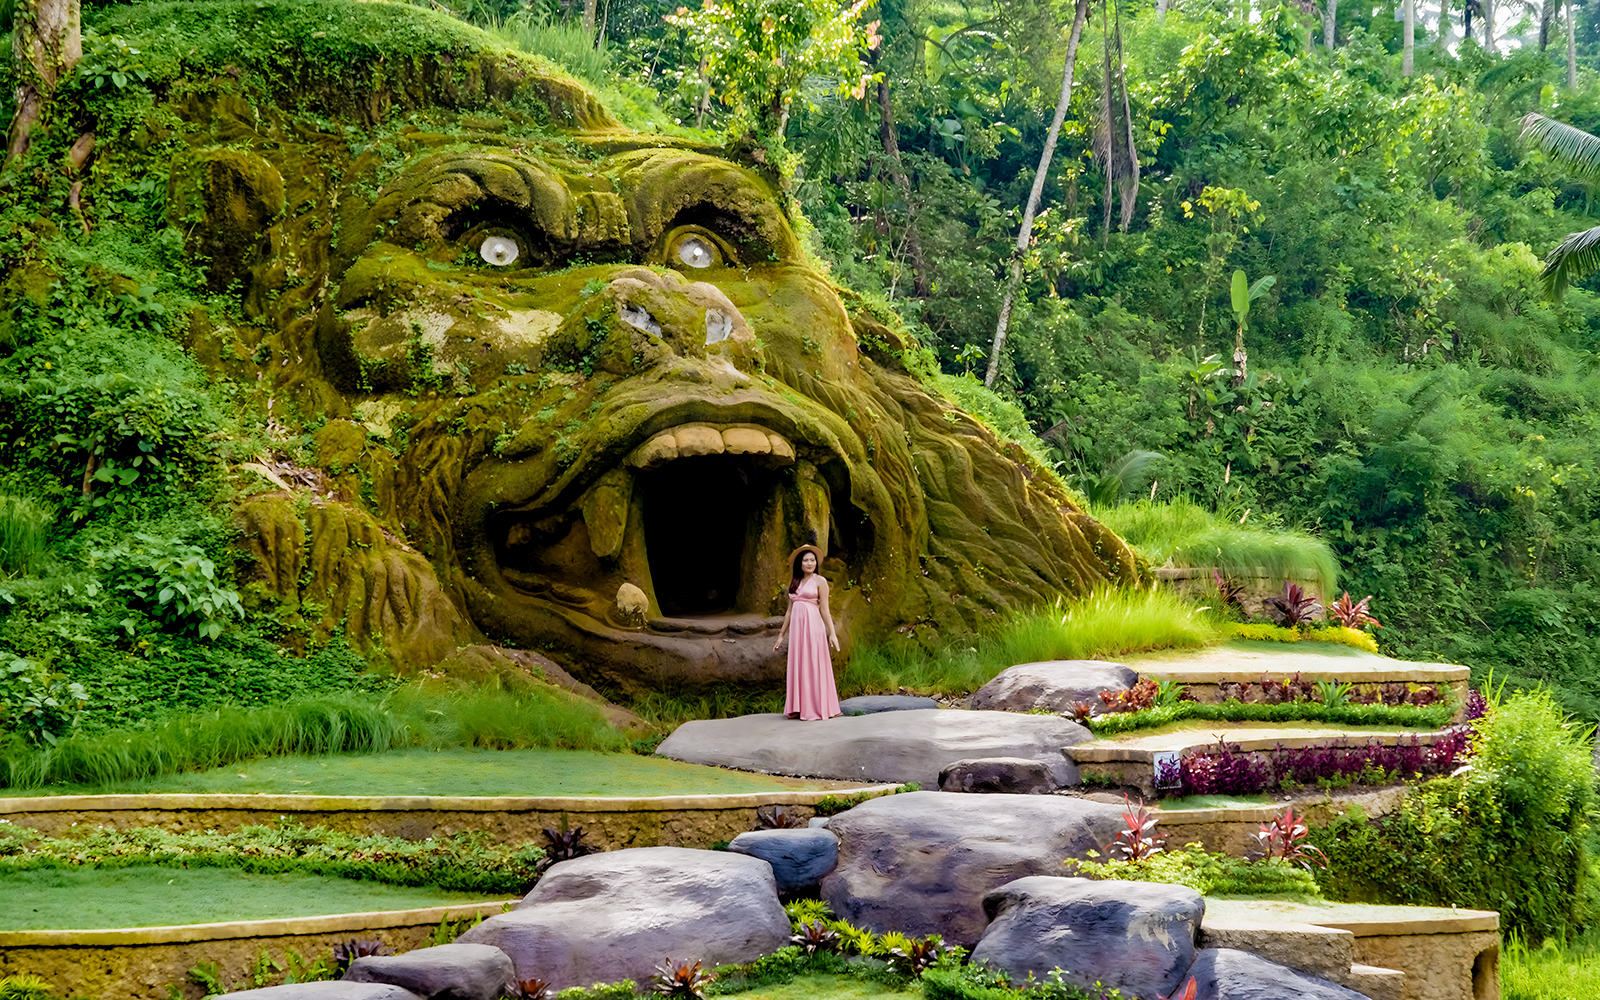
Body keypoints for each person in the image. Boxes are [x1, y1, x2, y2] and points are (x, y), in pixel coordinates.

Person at [773, 543, 842, 720]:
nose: (810, 563)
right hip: (797, 631)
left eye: (812, 560)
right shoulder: (794, 582)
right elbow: (789, 612)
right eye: (806, 560)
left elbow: (825, 610)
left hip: (813, 627)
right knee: (799, 664)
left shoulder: (820, 581)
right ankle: (798, 707)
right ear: (800, 563)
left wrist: (832, 633)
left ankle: (817, 707)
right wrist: (781, 635)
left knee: (813, 663)